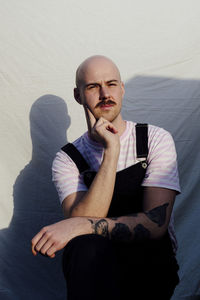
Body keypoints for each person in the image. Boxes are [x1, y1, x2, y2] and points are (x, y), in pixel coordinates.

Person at [31, 55, 181, 299]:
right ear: (78, 96)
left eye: (111, 84)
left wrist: (84, 225)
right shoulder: (67, 158)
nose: (104, 94)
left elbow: (156, 224)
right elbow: (77, 228)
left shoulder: (154, 139)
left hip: (150, 266)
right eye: (92, 86)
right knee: (85, 246)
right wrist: (111, 153)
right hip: (93, 270)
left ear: (122, 89)